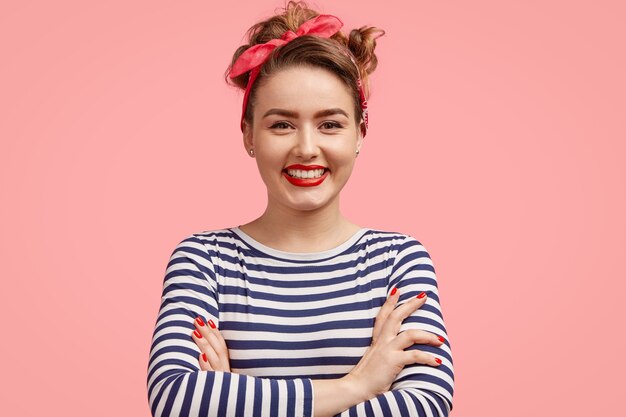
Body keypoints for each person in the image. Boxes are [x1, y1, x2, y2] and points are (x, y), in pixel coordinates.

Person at [146, 1, 454, 416]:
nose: (307, 148)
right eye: (281, 124)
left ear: (360, 134)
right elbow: (176, 398)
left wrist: (236, 398)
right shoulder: (203, 261)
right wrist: (358, 385)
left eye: (330, 124)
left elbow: (426, 404)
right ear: (248, 134)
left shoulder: (398, 260)